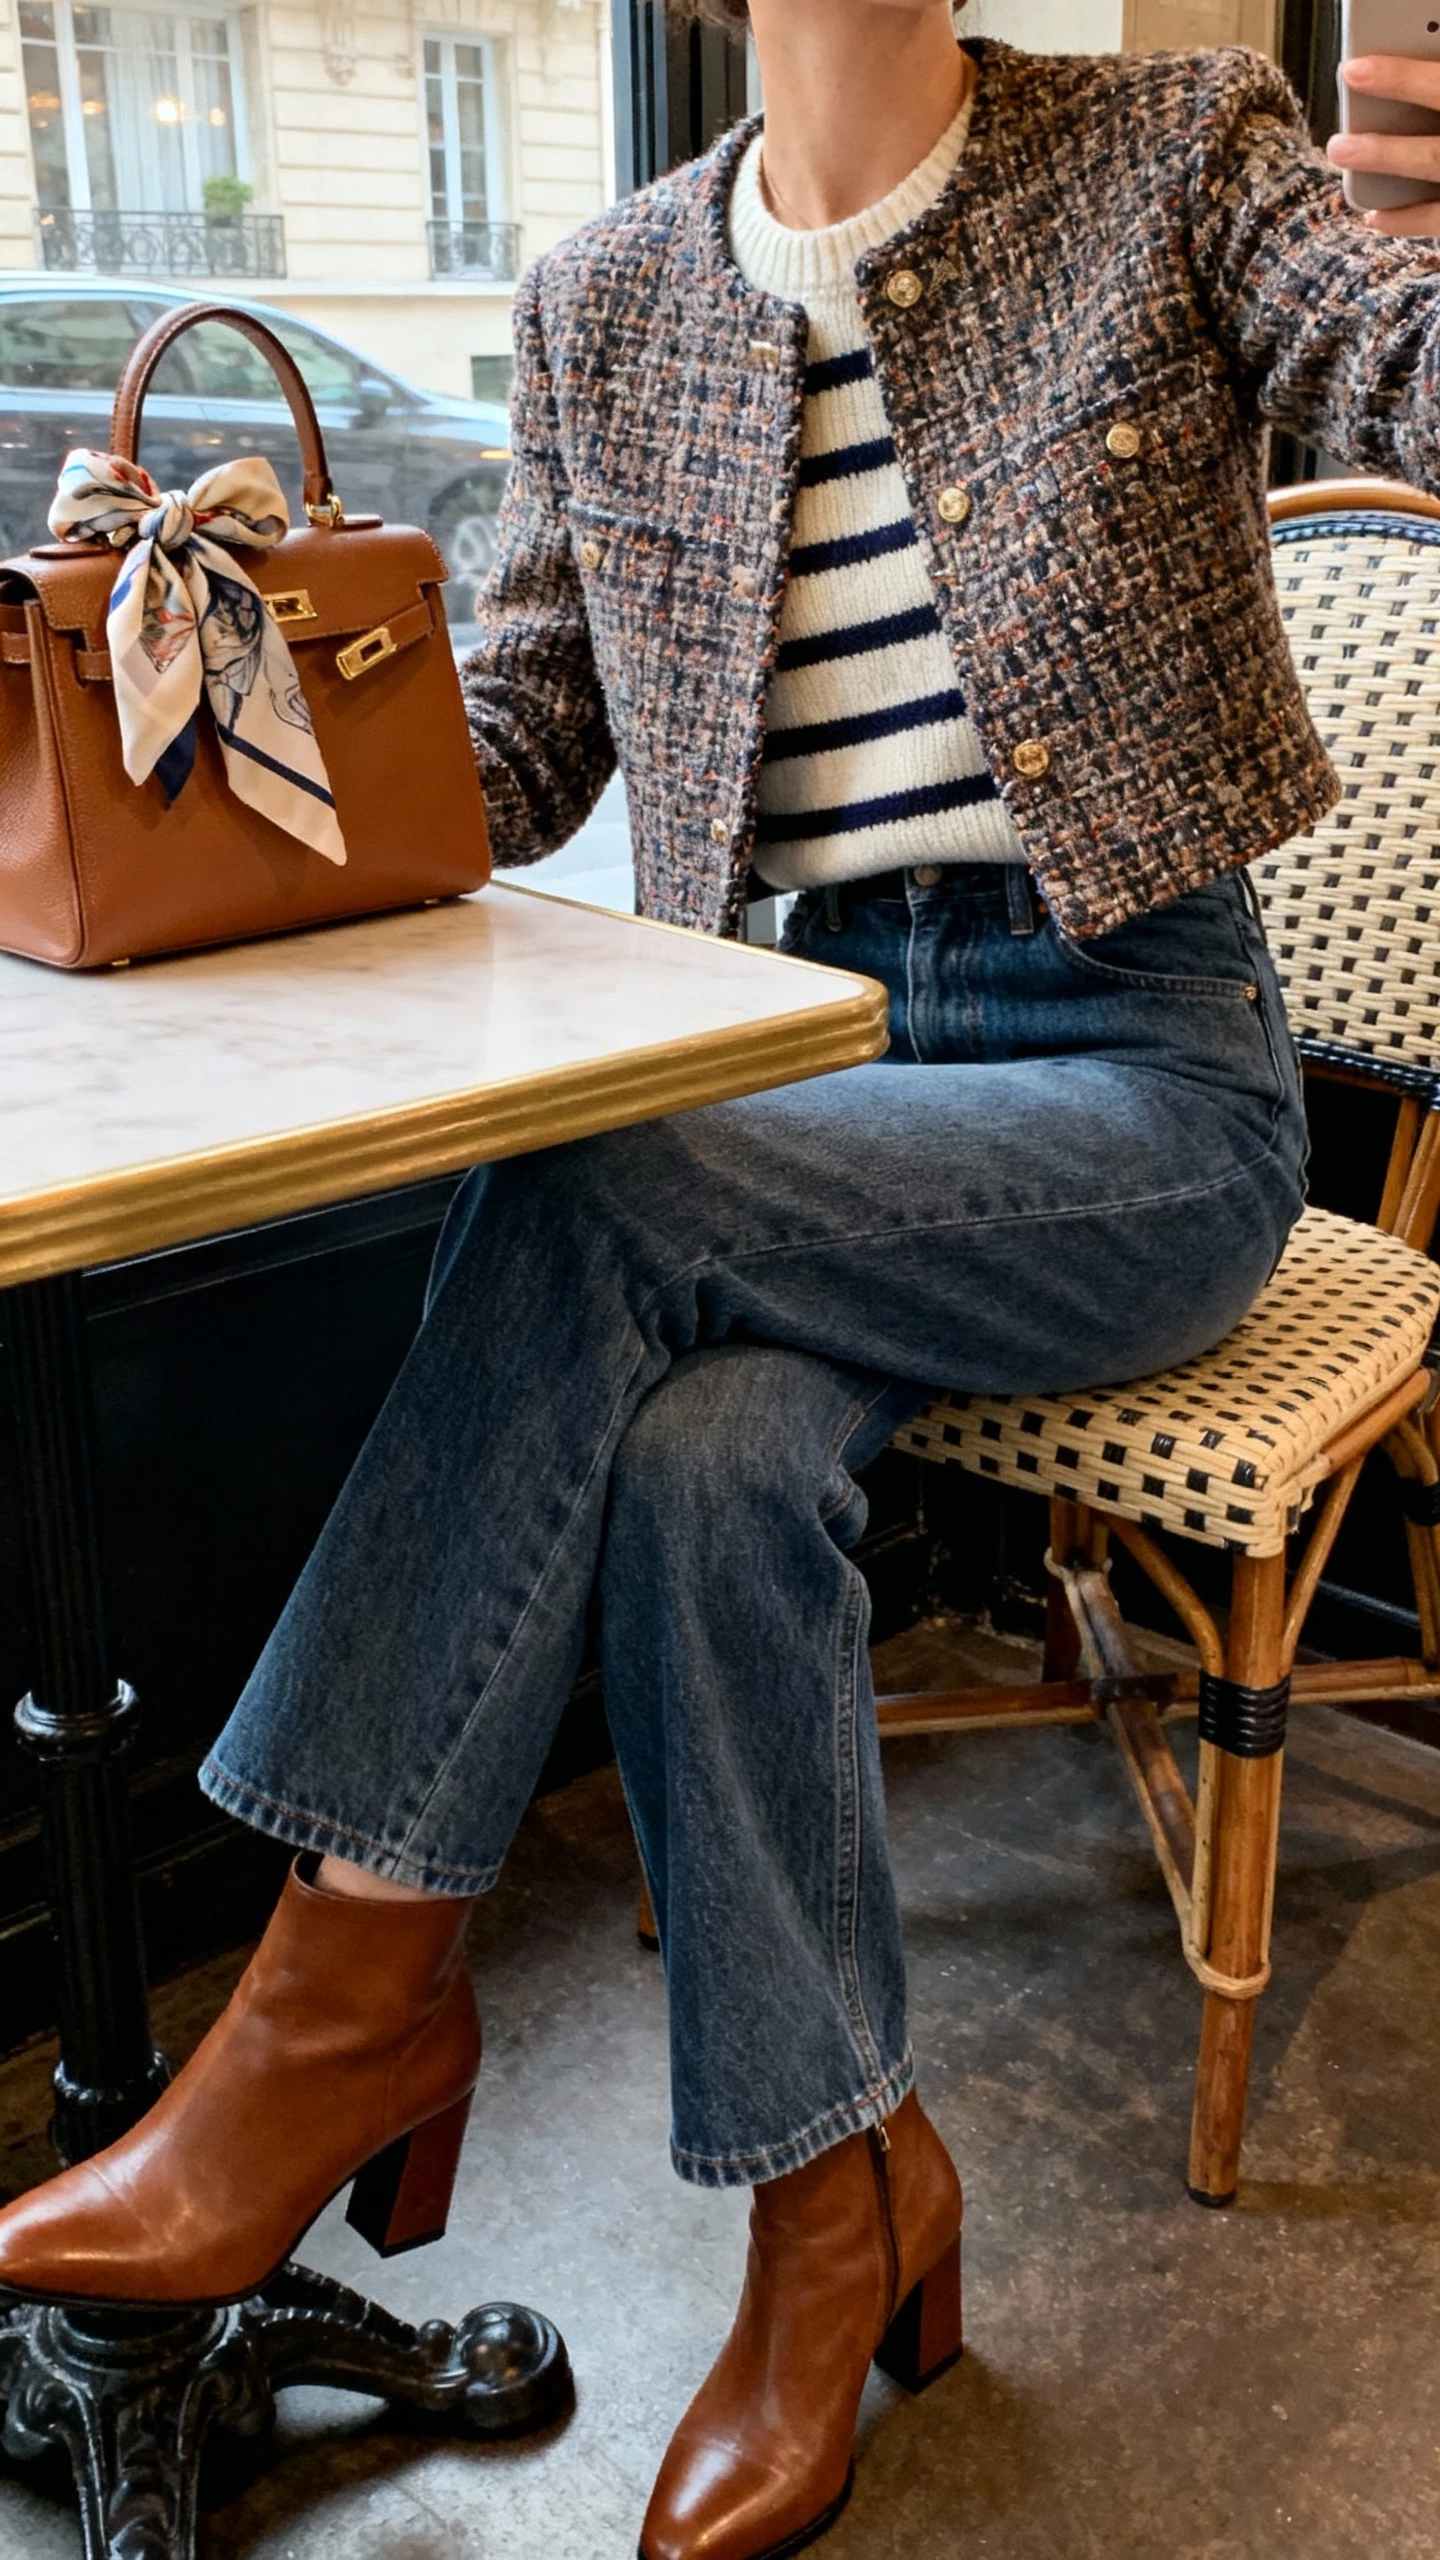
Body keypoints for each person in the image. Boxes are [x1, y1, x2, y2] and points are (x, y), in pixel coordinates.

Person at [3, 7, 1440, 2557]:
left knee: (580, 1193)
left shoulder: (1166, 147)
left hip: (1144, 1079)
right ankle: (841, 2209)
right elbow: (525, 738)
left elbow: (1394, 359)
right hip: (814, 1054)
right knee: (698, 1451)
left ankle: (339, 2003)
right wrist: (231, 672)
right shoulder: (611, 288)